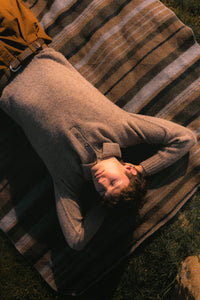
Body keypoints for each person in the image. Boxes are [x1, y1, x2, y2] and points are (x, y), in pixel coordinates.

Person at [0, 0, 197, 250]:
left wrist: (107, 207)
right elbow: (185, 138)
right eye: (113, 183)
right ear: (129, 169)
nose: (101, 183)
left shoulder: (67, 178)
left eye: (102, 192)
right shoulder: (124, 129)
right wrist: (145, 169)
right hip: (26, 40)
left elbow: (76, 239)